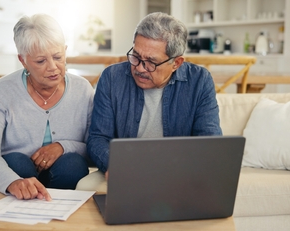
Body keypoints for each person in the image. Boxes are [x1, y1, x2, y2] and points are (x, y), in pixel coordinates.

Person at [76, 12, 222, 192]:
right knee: (84, 187)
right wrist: (115, 165)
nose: (139, 68)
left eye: (151, 62)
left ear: (176, 62)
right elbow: (98, 138)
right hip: (123, 169)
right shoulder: (111, 78)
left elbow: (209, 142)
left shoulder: (200, 81)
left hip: (179, 172)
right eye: (136, 56)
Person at [0, 14, 94, 200]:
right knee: (18, 163)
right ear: (23, 60)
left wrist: (63, 146)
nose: (53, 67)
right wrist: (12, 181)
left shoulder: (82, 89)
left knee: (73, 164)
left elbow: (95, 146)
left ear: (65, 51)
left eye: (58, 57)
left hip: (61, 175)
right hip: (12, 173)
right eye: (41, 61)